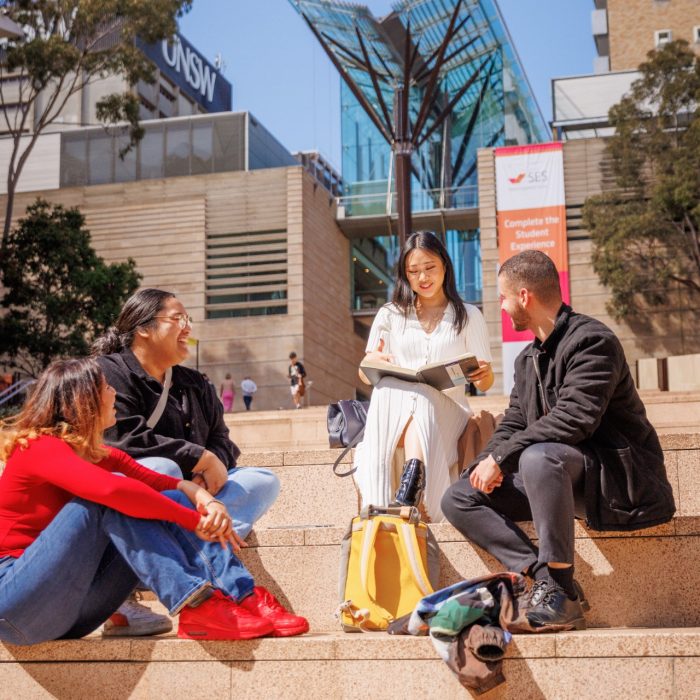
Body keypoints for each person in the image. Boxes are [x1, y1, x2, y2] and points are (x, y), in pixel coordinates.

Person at [441, 250, 676, 630]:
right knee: (459, 495)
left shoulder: (592, 341)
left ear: (524, 296)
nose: (501, 307)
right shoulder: (527, 360)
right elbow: (513, 421)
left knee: (537, 457)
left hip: (614, 480)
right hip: (554, 477)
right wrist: (485, 463)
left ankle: (561, 589)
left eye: (503, 297)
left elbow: (575, 420)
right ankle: (546, 578)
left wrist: (503, 459)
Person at [0, 357, 309, 645]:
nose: (113, 393)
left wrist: (195, 492)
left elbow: (155, 482)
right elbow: (113, 492)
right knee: (111, 499)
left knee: (151, 496)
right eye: (106, 387)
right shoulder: (38, 447)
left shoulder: (98, 454)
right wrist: (191, 520)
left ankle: (241, 594)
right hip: (15, 607)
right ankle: (196, 602)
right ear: (83, 401)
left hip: (73, 614)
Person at [92, 288, 280, 635]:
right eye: (177, 319)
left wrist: (210, 473)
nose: (187, 328)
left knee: (263, 481)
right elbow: (120, 439)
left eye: (187, 320)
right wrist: (198, 459)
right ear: (143, 328)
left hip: (193, 496)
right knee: (160, 469)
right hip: (133, 499)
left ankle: (181, 553)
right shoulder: (108, 373)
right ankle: (158, 574)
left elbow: (222, 440)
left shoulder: (194, 383)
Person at [354, 231, 494, 521]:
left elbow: (485, 384)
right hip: (398, 409)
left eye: (429, 267)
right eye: (413, 271)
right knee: (393, 389)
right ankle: (410, 480)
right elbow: (366, 377)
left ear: (444, 265)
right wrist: (370, 362)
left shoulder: (468, 315)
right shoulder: (390, 315)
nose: (423, 277)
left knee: (425, 393)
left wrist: (484, 373)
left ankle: (406, 486)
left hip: (450, 412)